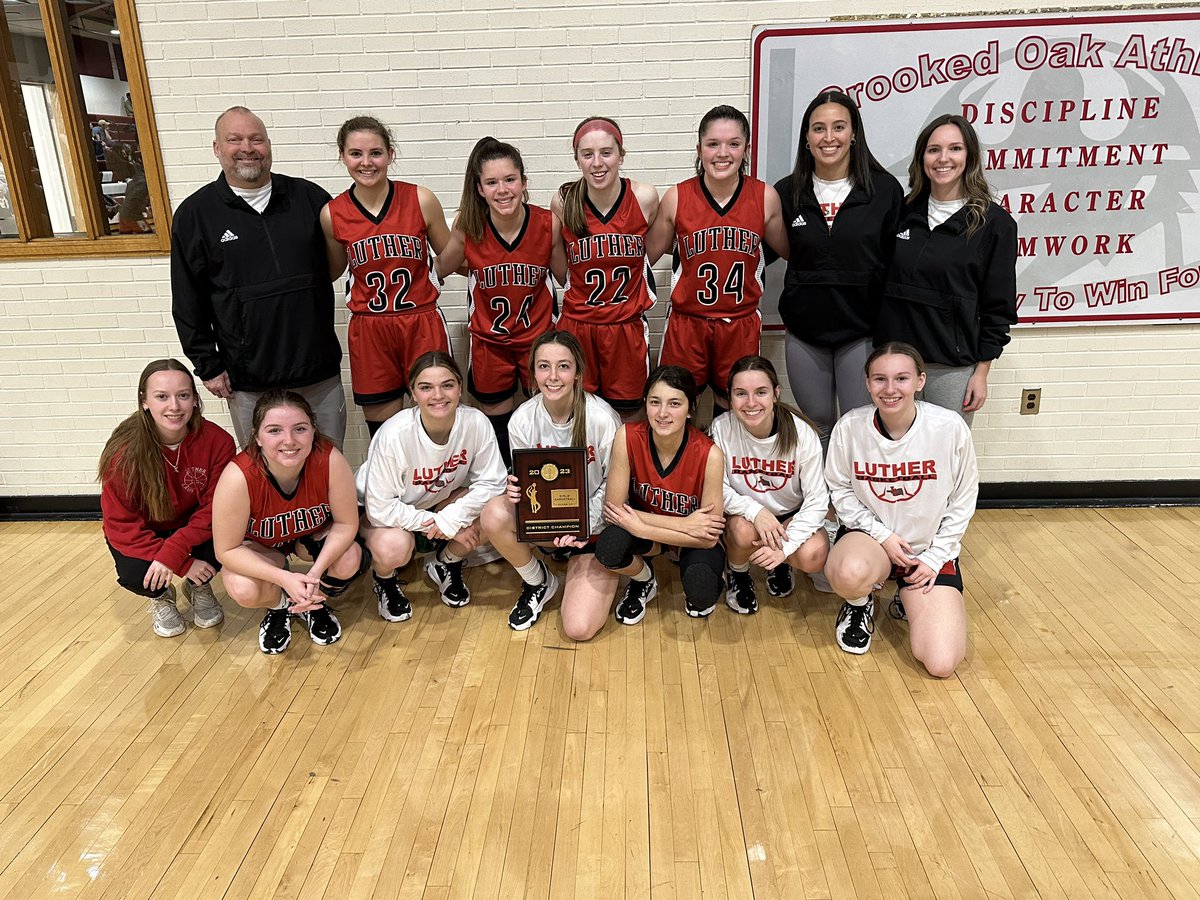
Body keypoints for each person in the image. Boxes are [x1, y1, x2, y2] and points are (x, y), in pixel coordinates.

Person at [172, 106, 345, 448]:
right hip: (249, 380)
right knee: (264, 474)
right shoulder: (196, 215)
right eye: (234, 139)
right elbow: (188, 298)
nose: (247, 147)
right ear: (217, 148)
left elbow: (340, 260)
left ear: (269, 145)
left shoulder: (310, 199)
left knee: (327, 464)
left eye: (256, 139)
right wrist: (207, 365)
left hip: (318, 372)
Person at [824, 342, 978, 677]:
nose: (890, 389)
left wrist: (936, 556)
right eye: (879, 379)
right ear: (867, 383)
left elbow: (964, 499)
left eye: (901, 378)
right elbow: (840, 490)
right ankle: (858, 603)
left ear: (920, 381)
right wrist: (882, 535)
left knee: (941, 663)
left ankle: (906, 597)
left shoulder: (950, 427)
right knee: (847, 572)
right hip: (874, 542)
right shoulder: (850, 427)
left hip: (927, 551)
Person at [773, 91, 904, 448]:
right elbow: (757, 252)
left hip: (861, 332)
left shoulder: (884, 190)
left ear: (854, 134)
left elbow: (898, 264)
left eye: (838, 127)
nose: (828, 137)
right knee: (817, 426)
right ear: (806, 138)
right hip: (805, 332)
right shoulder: (786, 192)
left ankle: (854, 503)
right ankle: (823, 504)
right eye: (819, 128)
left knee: (858, 426)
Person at [877, 114, 1018, 425]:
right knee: (896, 456)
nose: (943, 159)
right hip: (894, 364)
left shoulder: (995, 225)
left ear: (969, 157)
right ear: (921, 158)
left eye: (954, 149)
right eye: (933, 150)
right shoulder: (901, 213)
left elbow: (998, 307)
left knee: (946, 457)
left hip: (951, 368)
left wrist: (981, 373)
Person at [479, 331, 622, 637]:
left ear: (578, 373)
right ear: (533, 372)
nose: (553, 376)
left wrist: (582, 524)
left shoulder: (602, 419)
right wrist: (515, 492)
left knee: (578, 628)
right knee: (494, 513)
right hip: (548, 527)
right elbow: (526, 481)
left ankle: (587, 567)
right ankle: (538, 581)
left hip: (593, 529)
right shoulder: (521, 420)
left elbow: (614, 486)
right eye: (544, 366)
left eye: (563, 366)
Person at [646, 105, 788, 414]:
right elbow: (644, 254)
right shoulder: (677, 197)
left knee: (735, 410)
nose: (722, 153)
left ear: (746, 149)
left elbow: (791, 251)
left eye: (733, 144)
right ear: (699, 149)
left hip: (739, 323)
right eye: (713, 144)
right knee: (676, 407)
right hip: (688, 324)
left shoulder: (764, 197)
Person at [321, 115, 453, 436]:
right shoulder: (332, 213)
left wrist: (438, 271)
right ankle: (393, 487)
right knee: (384, 432)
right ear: (343, 157)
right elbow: (334, 270)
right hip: (370, 329)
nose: (366, 162)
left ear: (390, 155)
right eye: (356, 154)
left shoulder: (420, 199)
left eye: (375, 153)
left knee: (437, 421)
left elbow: (449, 254)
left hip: (420, 321)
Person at [436, 136, 561, 463]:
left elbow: (568, 278)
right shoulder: (469, 227)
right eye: (492, 182)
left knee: (547, 424)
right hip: (490, 344)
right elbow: (436, 270)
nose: (502, 189)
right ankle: (505, 490)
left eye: (510, 179)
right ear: (479, 189)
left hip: (539, 342)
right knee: (498, 431)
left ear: (524, 181)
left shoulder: (548, 224)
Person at [356, 352, 507, 620]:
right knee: (395, 547)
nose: (438, 395)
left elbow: (494, 482)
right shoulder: (395, 434)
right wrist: (440, 523)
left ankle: (445, 563)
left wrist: (451, 518)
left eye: (447, 385)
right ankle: (385, 580)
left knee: (497, 509)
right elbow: (380, 508)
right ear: (413, 393)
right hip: (380, 514)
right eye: (426, 387)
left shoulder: (475, 422)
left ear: (460, 387)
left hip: (433, 503)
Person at [212, 391, 366, 654]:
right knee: (243, 587)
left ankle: (313, 604)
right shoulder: (239, 476)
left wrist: (314, 575)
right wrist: (284, 579)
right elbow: (226, 550)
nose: (289, 440)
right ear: (257, 437)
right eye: (274, 430)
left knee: (350, 557)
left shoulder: (329, 460)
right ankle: (281, 606)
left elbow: (345, 525)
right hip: (263, 546)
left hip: (308, 538)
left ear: (313, 431)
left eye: (300, 428)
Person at [99, 360, 236, 638]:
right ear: (145, 401)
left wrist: (175, 552)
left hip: (196, 528)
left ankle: (198, 586)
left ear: (195, 400)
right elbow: (120, 525)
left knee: (225, 545)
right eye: (162, 396)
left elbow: (217, 509)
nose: (174, 406)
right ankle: (161, 595)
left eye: (183, 395)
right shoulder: (123, 452)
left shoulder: (218, 441)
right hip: (148, 533)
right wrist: (182, 563)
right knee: (140, 577)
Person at [596, 366, 726, 623]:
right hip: (668, 531)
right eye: (655, 402)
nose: (663, 413)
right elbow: (613, 511)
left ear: (690, 409)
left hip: (688, 541)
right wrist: (684, 524)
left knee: (702, 592)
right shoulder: (627, 436)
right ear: (646, 404)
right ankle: (644, 579)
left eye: (674, 403)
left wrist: (640, 525)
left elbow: (708, 538)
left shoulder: (710, 454)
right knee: (610, 546)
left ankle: (716, 574)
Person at [551, 116, 659, 420]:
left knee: (629, 417)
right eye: (587, 154)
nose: (597, 163)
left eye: (606, 153)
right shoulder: (563, 201)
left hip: (626, 327)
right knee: (578, 415)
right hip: (578, 326)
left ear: (621, 155)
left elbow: (650, 254)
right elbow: (560, 270)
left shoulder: (644, 197)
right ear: (577, 160)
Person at [710, 356, 829, 614]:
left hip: (789, 516)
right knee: (741, 532)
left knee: (814, 554)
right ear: (729, 397)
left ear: (776, 393)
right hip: (746, 516)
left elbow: (818, 500)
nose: (751, 403)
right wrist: (756, 512)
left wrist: (787, 546)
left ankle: (780, 562)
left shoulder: (801, 433)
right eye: (741, 393)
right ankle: (739, 573)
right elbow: (716, 488)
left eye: (760, 392)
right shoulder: (722, 427)